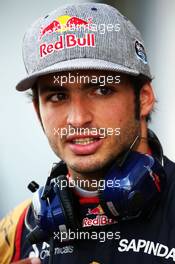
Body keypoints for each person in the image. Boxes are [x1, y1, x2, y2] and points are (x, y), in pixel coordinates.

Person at [0, 2, 175, 264]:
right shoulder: (16, 230)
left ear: (145, 97)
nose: (78, 119)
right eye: (58, 96)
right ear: (38, 110)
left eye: (101, 90)